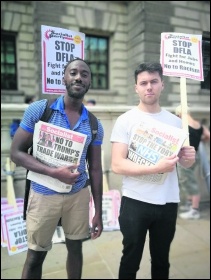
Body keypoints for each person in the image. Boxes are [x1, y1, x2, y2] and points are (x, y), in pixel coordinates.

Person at [10, 58, 104, 279]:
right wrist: (53, 172)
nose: (78, 77)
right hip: (43, 195)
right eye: (73, 72)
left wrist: (98, 211)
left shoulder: (94, 125)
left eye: (84, 74)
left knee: (76, 249)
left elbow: (96, 169)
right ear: (64, 78)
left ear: (89, 82)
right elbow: (16, 153)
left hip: (77, 197)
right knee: (35, 256)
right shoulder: (40, 110)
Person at [110, 62, 196, 279]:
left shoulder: (176, 123)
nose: (149, 87)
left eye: (154, 82)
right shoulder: (125, 120)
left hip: (167, 201)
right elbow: (117, 164)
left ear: (162, 85)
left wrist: (188, 159)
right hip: (135, 201)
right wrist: (155, 167)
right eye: (144, 83)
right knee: (130, 260)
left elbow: (183, 163)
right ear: (136, 88)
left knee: (161, 261)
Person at [175, 105, 210, 219]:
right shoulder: (198, 124)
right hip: (196, 156)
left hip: (185, 157)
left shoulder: (182, 124)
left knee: (189, 182)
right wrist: (200, 138)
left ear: (179, 113)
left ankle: (194, 210)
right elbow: (208, 136)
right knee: (187, 181)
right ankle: (190, 205)